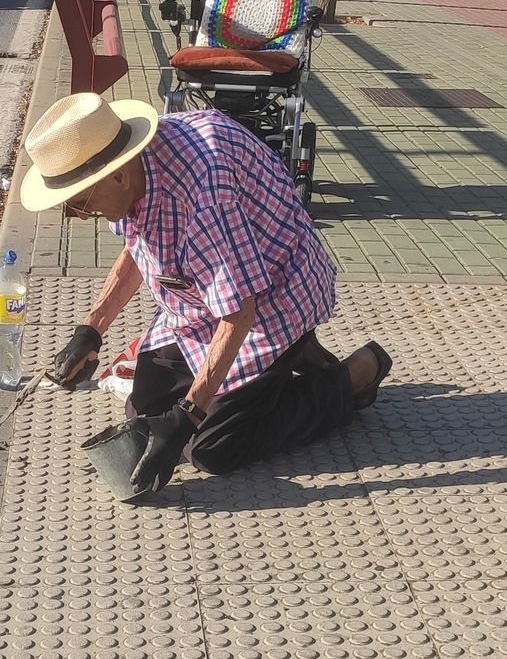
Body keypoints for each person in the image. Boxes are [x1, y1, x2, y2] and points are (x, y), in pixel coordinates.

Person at [21, 93, 394, 498]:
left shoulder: (203, 198)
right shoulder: (134, 166)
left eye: (80, 202)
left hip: (274, 299)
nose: (76, 214)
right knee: (144, 413)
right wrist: (91, 331)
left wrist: (189, 415)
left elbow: (239, 314)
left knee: (210, 447)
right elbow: (138, 243)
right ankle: (289, 364)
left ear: (118, 176)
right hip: (200, 304)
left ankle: (350, 378)